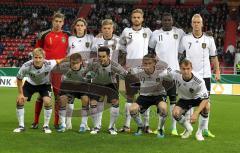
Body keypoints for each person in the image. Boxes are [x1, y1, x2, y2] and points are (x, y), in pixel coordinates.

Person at [179, 14, 220, 140]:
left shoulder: (209, 39)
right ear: (192, 24)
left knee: (206, 103)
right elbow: (180, 55)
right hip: (189, 75)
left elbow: (214, 57)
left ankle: (202, 131)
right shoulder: (185, 39)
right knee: (189, 102)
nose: (196, 24)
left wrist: (217, 71)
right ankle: (188, 129)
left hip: (205, 75)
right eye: (194, 22)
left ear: (202, 24)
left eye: (198, 22)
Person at [149, 12, 185, 136]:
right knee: (161, 101)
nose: (167, 22)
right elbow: (150, 50)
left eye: (169, 20)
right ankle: (160, 127)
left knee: (174, 100)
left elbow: (186, 44)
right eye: (165, 20)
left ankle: (174, 128)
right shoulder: (155, 34)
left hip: (174, 72)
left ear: (172, 21)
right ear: (162, 21)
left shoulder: (179, 32)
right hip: (160, 73)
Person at [33, 12, 70, 129]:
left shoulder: (68, 35)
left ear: (63, 23)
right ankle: (36, 121)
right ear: (52, 21)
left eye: (60, 22)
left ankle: (56, 122)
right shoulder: (44, 35)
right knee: (41, 95)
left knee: (58, 96)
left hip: (59, 70)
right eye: (56, 21)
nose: (58, 24)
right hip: (45, 69)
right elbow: (37, 52)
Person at [119, 8, 152, 133]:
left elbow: (158, 41)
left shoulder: (148, 31)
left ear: (142, 19)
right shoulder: (126, 31)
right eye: (134, 17)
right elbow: (121, 47)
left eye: (139, 17)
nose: (136, 19)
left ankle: (146, 125)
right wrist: (124, 64)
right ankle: (127, 125)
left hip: (145, 71)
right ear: (131, 19)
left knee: (146, 98)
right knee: (129, 98)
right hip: (131, 70)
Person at [13, 48, 58, 133]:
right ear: (32, 57)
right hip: (30, 84)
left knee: (47, 101)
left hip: (45, 85)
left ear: (44, 58)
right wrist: (20, 93)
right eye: (35, 57)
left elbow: (59, 61)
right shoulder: (26, 66)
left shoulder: (49, 63)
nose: (37, 60)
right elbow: (19, 79)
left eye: (40, 57)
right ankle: (21, 126)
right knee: (20, 101)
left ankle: (46, 126)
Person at [84, 47, 128, 135]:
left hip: (110, 84)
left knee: (115, 102)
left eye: (103, 56)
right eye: (99, 56)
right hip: (97, 84)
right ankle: (96, 127)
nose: (101, 59)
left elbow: (126, 74)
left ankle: (111, 127)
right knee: (93, 103)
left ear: (108, 56)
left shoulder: (114, 65)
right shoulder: (93, 63)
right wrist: (87, 76)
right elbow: (84, 73)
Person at [164, 59, 210, 141]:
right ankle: (189, 128)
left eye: (188, 68)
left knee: (207, 106)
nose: (186, 71)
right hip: (184, 99)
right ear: (180, 69)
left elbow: (206, 98)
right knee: (175, 113)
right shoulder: (175, 74)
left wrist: (196, 113)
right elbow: (162, 73)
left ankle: (199, 133)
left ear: (191, 69)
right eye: (183, 69)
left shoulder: (199, 81)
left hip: (198, 99)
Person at [91, 19, 124, 131]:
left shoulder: (118, 40)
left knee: (114, 101)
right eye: (104, 28)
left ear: (113, 29)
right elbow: (92, 55)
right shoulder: (96, 40)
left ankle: (111, 126)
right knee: (98, 100)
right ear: (102, 29)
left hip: (113, 76)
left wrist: (119, 66)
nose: (106, 30)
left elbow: (124, 54)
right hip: (99, 75)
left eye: (109, 28)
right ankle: (97, 125)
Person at [129, 54, 168, 138]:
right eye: (145, 63)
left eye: (149, 63)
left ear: (154, 63)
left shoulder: (162, 71)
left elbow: (173, 74)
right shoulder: (137, 70)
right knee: (132, 109)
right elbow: (125, 71)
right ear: (142, 63)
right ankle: (140, 126)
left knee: (163, 108)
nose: (147, 66)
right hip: (144, 96)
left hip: (159, 95)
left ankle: (160, 129)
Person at [65, 18, 94, 130]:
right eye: (78, 25)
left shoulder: (90, 38)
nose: (80, 27)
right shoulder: (70, 39)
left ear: (85, 27)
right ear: (75, 27)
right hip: (72, 73)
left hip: (85, 73)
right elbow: (67, 54)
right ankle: (68, 124)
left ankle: (84, 124)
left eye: (82, 25)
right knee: (69, 99)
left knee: (85, 99)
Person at [56, 53, 90, 132]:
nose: (75, 65)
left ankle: (83, 125)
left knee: (85, 99)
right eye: (73, 63)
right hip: (68, 85)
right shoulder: (64, 67)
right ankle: (63, 125)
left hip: (81, 85)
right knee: (62, 99)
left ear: (81, 62)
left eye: (77, 63)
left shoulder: (86, 70)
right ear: (70, 62)